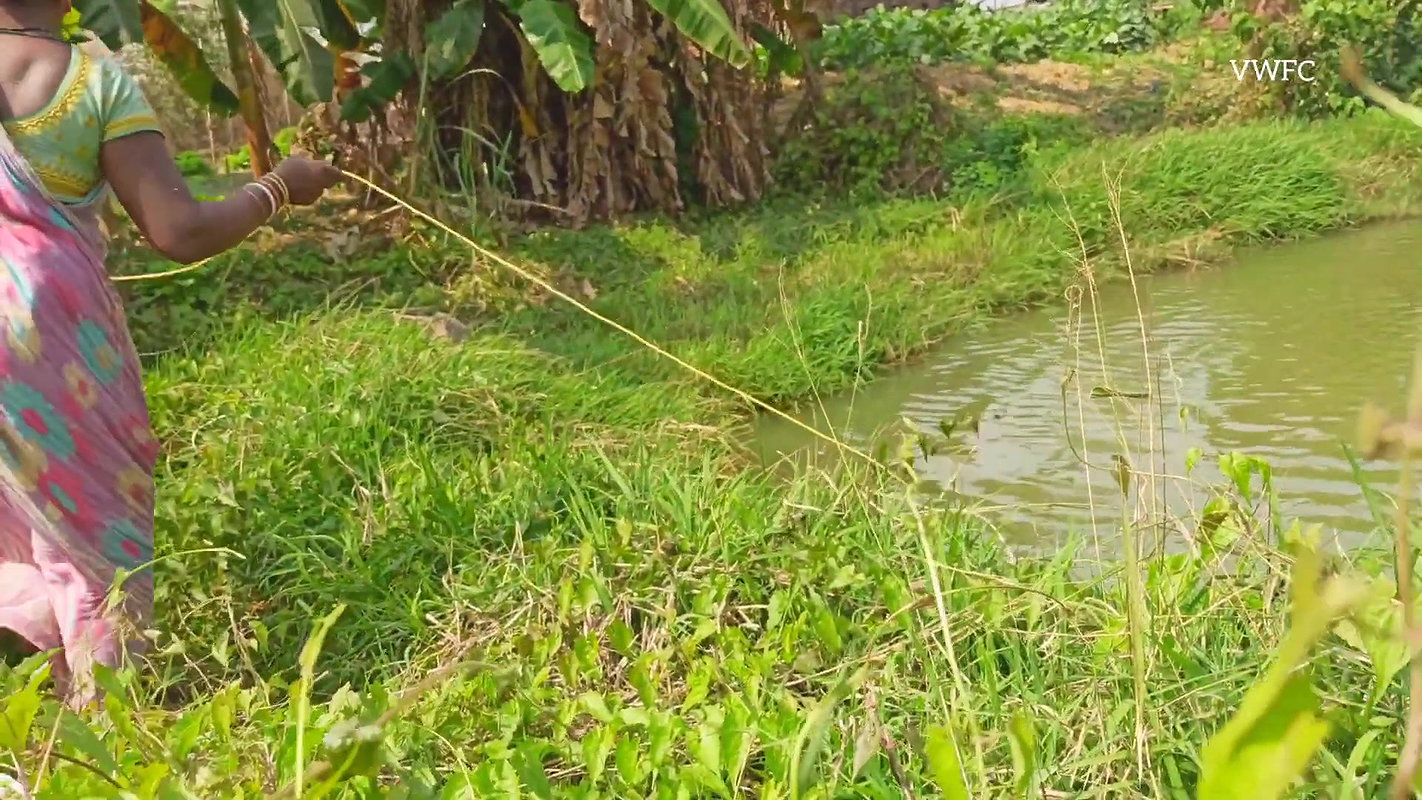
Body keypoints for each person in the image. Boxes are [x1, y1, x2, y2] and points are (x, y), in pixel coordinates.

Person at [0, 0, 342, 700]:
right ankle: (108, 726)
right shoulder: (91, 80)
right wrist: (280, 187)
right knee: (92, 534)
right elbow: (178, 231)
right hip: (47, 340)